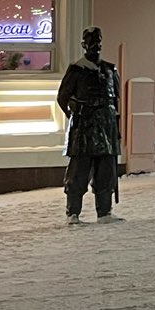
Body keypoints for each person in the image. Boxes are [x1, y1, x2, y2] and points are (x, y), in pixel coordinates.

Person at [57, 27, 122, 225]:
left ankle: (104, 212)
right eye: (91, 41)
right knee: (78, 172)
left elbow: (116, 99)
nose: (95, 45)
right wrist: (73, 114)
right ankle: (73, 213)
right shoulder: (77, 70)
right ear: (84, 44)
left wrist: (115, 126)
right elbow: (62, 97)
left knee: (105, 172)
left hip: (106, 128)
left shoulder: (110, 70)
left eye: (98, 40)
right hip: (84, 129)